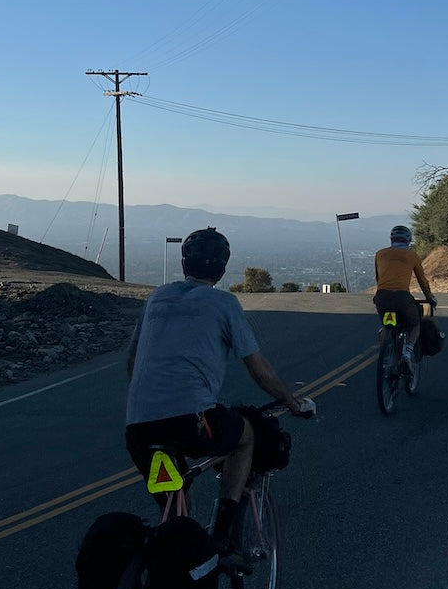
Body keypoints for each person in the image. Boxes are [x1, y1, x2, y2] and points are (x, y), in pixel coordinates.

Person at [125, 226, 313, 570]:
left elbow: (132, 364)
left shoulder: (157, 297)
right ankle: (224, 539)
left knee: (173, 511)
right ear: (223, 269)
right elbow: (260, 370)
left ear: (184, 264)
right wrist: (292, 401)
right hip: (192, 420)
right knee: (245, 438)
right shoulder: (224, 303)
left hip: (138, 428)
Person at [373, 224, 436, 378]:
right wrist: (429, 297)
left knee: (387, 326)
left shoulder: (380, 254)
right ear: (408, 240)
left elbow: (379, 278)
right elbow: (422, 280)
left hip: (382, 298)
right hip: (402, 298)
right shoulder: (412, 256)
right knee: (414, 324)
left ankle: (386, 360)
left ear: (391, 239)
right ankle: (407, 353)